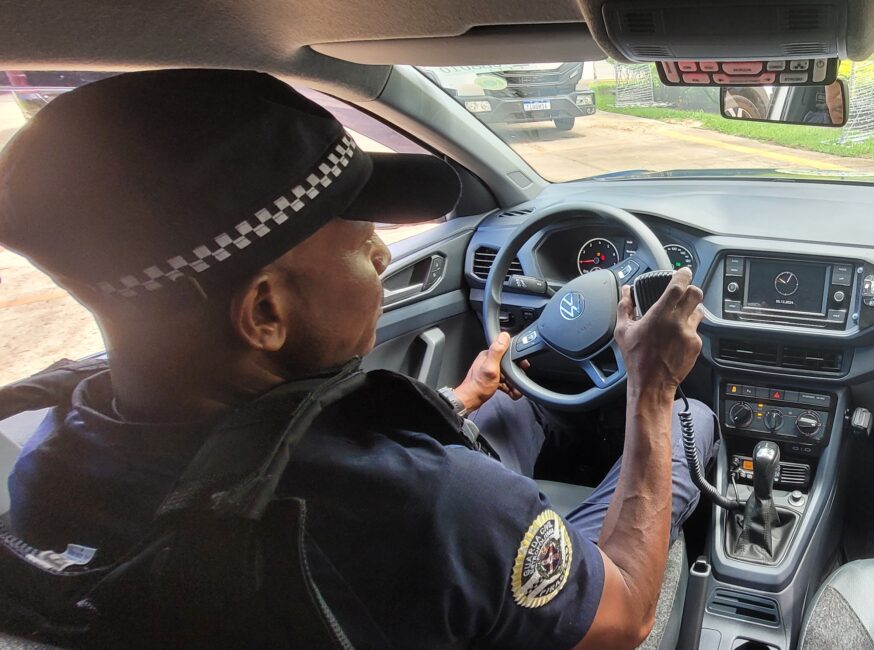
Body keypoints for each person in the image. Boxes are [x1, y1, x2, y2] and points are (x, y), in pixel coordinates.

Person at [0, 70, 715, 649]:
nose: (381, 253)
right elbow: (625, 617)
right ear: (266, 314)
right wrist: (650, 389)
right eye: (361, 236)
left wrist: (458, 404)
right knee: (691, 418)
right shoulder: (430, 505)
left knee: (504, 407)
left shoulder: (52, 457)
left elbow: (245, 456)